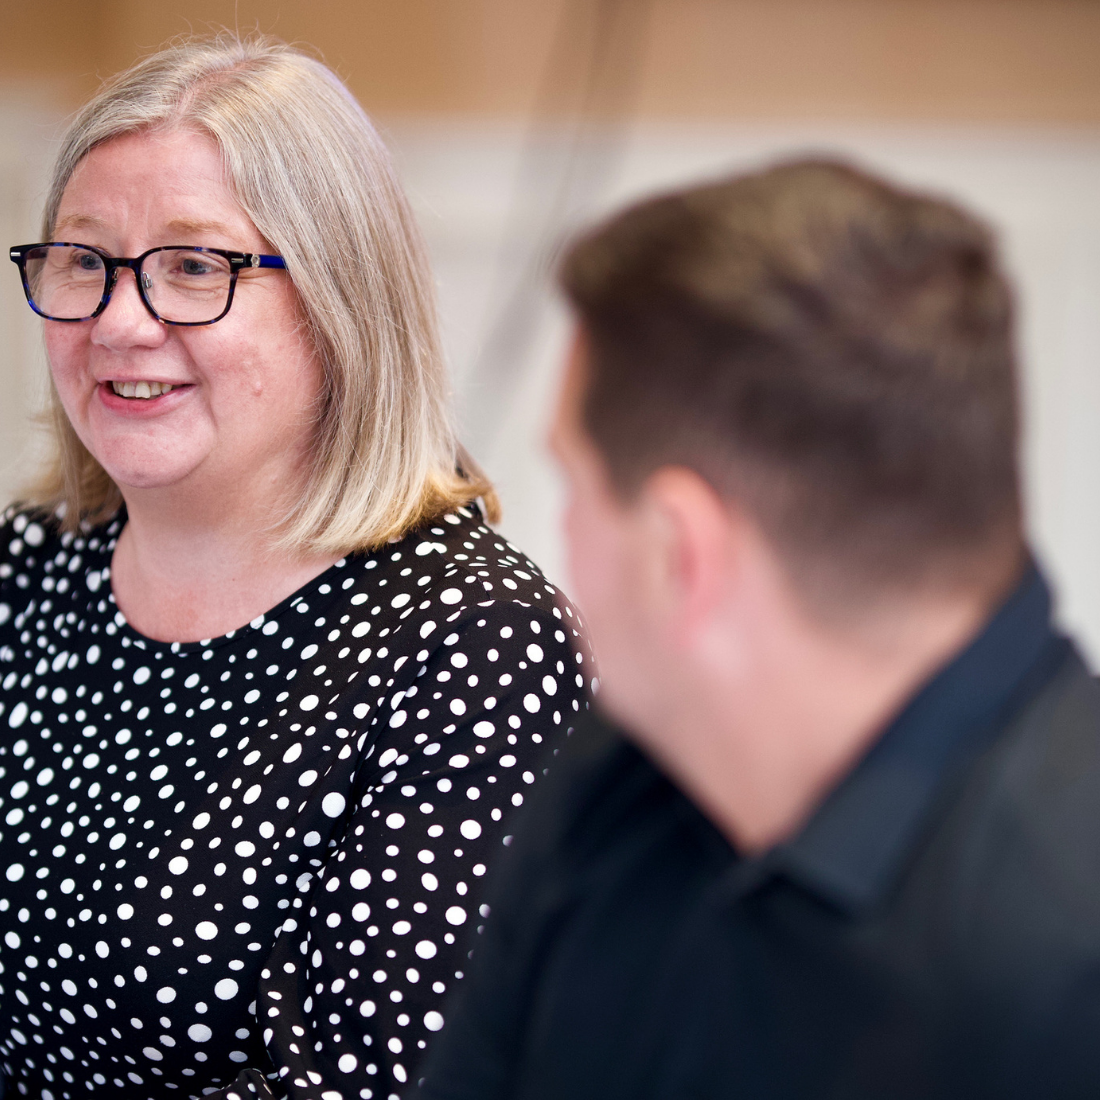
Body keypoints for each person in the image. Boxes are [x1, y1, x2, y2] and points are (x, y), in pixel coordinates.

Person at [418, 159, 1100, 1100]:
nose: (559, 533)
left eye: (573, 486)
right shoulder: (606, 794)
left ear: (680, 554)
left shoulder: (1061, 965)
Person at [0, 35, 590, 1100]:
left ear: (337, 305)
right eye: (84, 260)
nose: (119, 322)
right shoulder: (27, 569)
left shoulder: (474, 639)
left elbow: (378, 1083)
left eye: (194, 267)